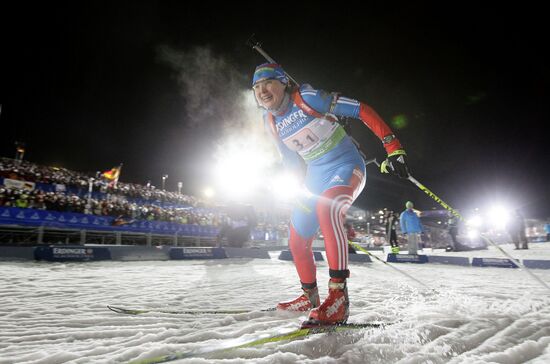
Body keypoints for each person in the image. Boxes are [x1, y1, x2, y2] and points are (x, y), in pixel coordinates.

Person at [252, 63, 410, 326]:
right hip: (314, 179)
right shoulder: (269, 121)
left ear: (282, 82)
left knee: (328, 210)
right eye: (256, 87)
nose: (262, 90)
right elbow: (290, 160)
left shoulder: (307, 99)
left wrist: (393, 148)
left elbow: (361, 109)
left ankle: (338, 298)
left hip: (346, 166)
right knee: (296, 237)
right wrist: (292, 186)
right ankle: (309, 297)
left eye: (267, 82)